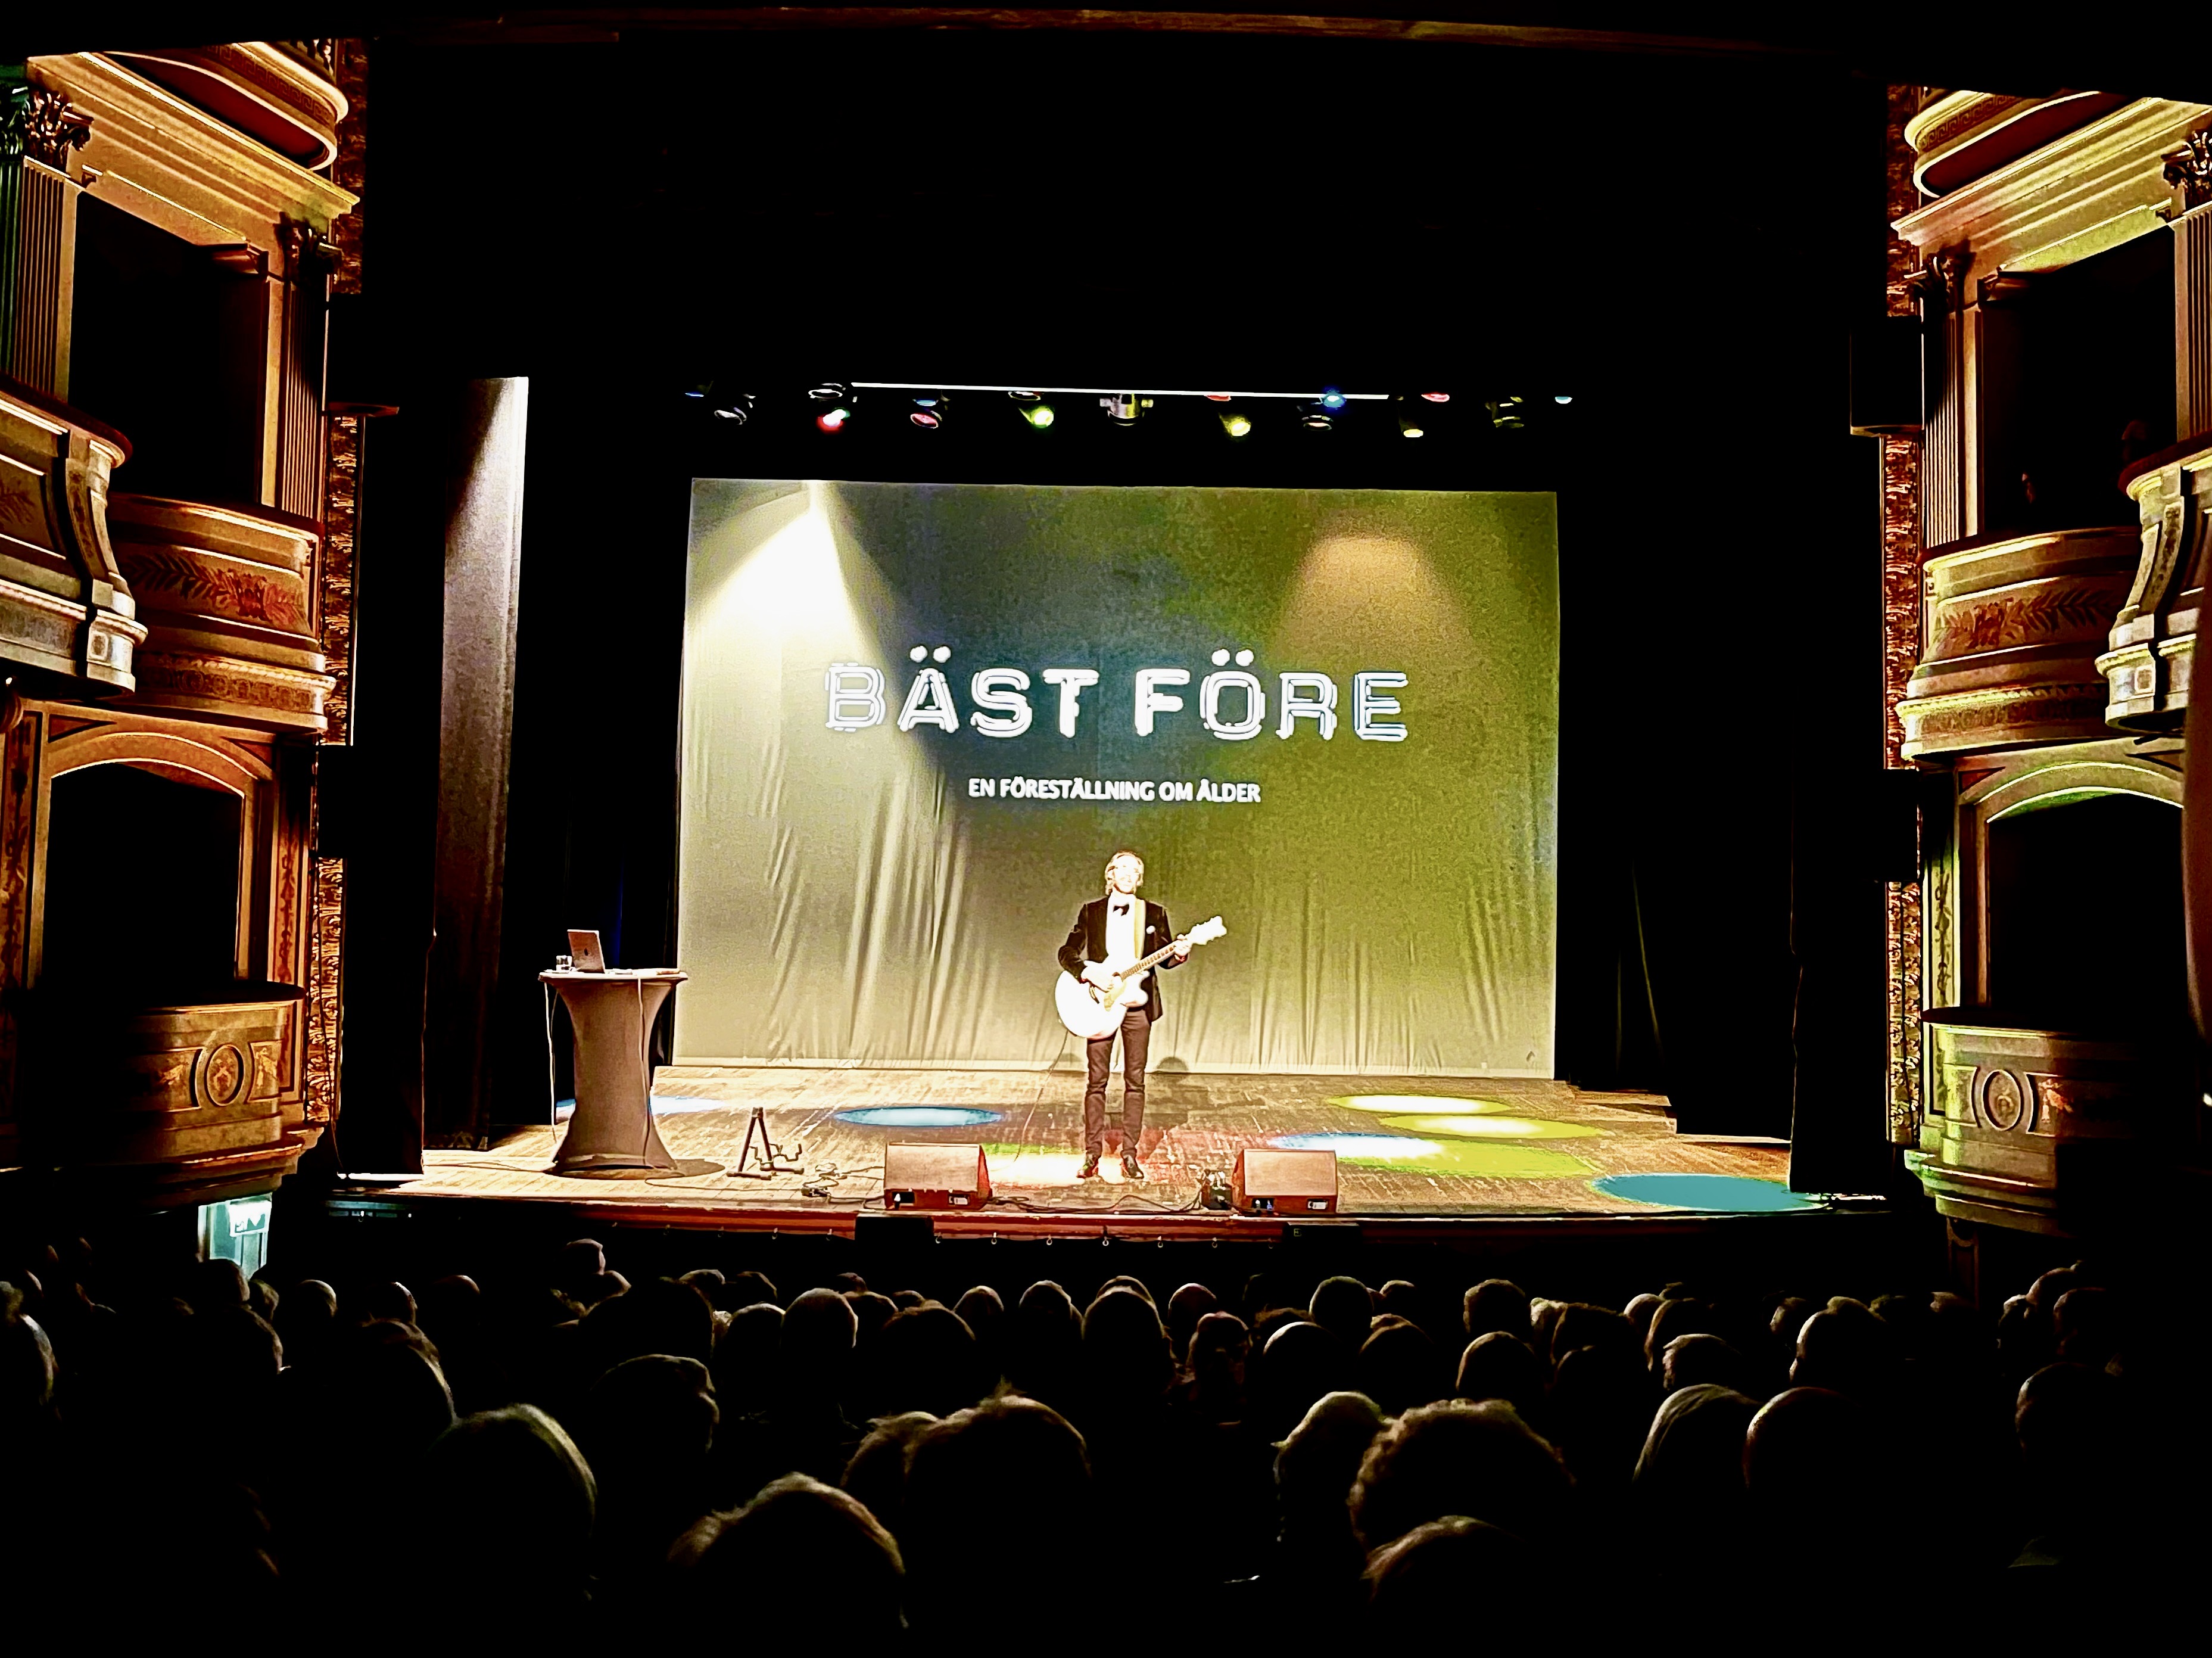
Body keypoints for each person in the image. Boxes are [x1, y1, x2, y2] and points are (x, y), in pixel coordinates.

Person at [1057, 849, 1189, 1180]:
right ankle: (1092, 1153)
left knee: (1135, 1081)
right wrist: (1087, 972)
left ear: (1140, 879)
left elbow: (1165, 959)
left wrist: (1180, 953)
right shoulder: (1091, 912)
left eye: (1135, 871)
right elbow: (1067, 952)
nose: (1129, 874)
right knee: (1096, 1081)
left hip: (1138, 1007)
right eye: (1123, 869)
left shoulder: (1154, 913)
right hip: (1101, 1004)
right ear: (1111, 874)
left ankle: (1130, 1154)